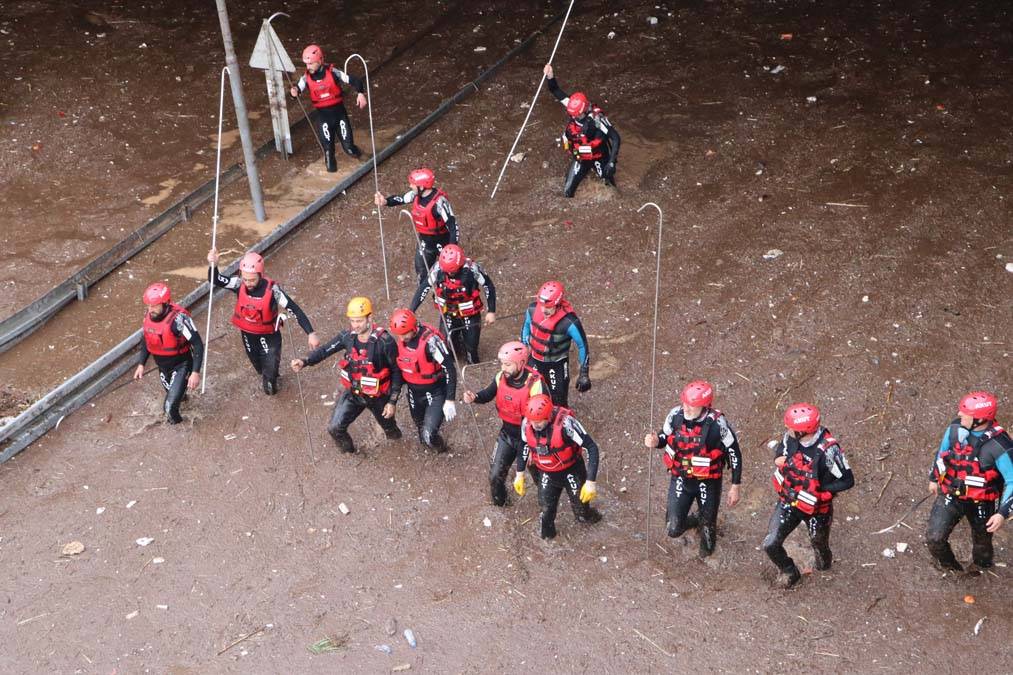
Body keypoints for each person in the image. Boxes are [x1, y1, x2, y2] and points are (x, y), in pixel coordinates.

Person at [290, 297, 402, 453]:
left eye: (359, 321)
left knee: (391, 432)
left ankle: (397, 452)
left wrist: (392, 402)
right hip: (354, 393)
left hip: (379, 397)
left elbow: (397, 371)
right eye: (352, 321)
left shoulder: (385, 342)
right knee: (334, 428)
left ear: (370, 318)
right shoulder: (347, 337)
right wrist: (305, 361)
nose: (355, 326)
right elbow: (325, 350)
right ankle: (351, 455)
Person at [644, 380, 742, 558]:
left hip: (708, 482)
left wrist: (735, 486)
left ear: (705, 406)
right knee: (673, 529)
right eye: (685, 403)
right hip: (681, 478)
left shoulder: (718, 425)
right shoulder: (675, 415)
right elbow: (664, 436)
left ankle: (705, 523)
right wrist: (655, 441)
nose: (687, 408)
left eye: (693, 405)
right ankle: (696, 518)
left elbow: (735, 454)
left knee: (708, 544)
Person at [762, 403, 854, 588]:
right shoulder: (790, 437)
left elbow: (847, 480)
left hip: (817, 509)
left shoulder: (829, 450)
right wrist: (778, 459)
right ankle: (790, 571)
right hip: (789, 500)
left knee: (819, 542)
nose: (787, 430)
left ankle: (824, 571)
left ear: (804, 431)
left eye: (792, 428)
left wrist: (821, 491)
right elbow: (781, 451)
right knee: (770, 543)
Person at [208, 248, 319, 395]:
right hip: (248, 335)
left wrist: (310, 333)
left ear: (260, 275)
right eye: (245, 279)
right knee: (259, 369)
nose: (248, 283)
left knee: (269, 383)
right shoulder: (238, 283)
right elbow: (215, 280)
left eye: (252, 280)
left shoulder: (273, 291)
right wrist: (213, 265)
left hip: (269, 336)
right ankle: (269, 372)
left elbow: (295, 309)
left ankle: (272, 377)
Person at [926, 391, 1013, 572]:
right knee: (934, 538)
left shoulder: (1000, 446)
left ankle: (981, 568)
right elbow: (941, 454)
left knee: (982, 543)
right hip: (951, 492)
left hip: (982, 501)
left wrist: (1002, 513)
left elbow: (1012, 481)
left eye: (965, 413)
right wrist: (934, 478)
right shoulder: (954, 430)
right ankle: (952, 568)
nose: (959, 415)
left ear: (980, 420)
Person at [463, 341, 547, 506]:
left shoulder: (536, 384)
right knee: (495, 476)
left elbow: (543, 419)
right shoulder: (500, 377)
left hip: (532, 439)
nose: (503, 368)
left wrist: (534, 446)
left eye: (508, 364)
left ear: (521, 363)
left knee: (541, 479)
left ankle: (546, 508)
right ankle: (501, 504)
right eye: (502, 364)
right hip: (507, 434)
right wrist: (475, 397)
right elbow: (487, 394)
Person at [515, 394, 602, 539]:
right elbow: (524, 444)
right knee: (546, 512)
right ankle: (548, 544)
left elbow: (592, 448)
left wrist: (590, 482)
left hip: (571, 470)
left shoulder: (567, 424)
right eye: (533, 421)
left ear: (548, 416)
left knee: (582, 515)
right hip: (547, 472)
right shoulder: (527, 424)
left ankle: (594, 517)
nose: (535, 425)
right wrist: (519, 473)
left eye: (539, 421)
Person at [543, 63, 620, 197]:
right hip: (581, 157)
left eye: (576, 115)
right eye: (572, 115)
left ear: (584, 111)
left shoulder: (597, 119)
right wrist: (550, 76)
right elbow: (555, 90)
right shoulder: (571, 105)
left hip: (599, 157)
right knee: (567, 193)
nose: (573, 117)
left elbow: (616, 138)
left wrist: (612, 162)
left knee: (612, 191)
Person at [410, 243, 496, 364]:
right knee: (445, 346)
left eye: (452, 272)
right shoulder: (437, 268)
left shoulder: (472, 269)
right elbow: (424, 287)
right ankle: (457, 342)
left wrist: (491, 311)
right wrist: (412, 310)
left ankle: (470, 357)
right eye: (447, 272)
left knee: (472, 348)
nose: (449, 275)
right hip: (448, 313)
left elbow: (489, 286)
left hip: (470, 314)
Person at [388, 308, 457, 453]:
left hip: (436, 391)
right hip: (414, 392)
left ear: (414, 328)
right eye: (399, 335)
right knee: (419, 426)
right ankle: (428, 446)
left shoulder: (431, 342)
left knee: (429, 435)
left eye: (405, 334)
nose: (401, 339)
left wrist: (450, 399)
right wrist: (392, 399)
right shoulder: (402, 340)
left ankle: (442, 449)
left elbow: (449, 368)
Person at [289, 44, 367, 172]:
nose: (308, 67)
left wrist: (360, 93)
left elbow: (355, 80)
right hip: (324, 118)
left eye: (311, 64)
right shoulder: (305, 79)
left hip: (339, 115)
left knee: (349, 149)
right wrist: (294, 92)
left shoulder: (333, 72)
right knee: (330, 161)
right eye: (306, 64)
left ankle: (365, 159)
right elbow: (297, 91)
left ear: (320, 61)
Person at [374, 168, 460, 283]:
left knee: (450, 274)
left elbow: (453, 227)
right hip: (425, 242)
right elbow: (401, 199)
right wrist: (385, 201)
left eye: (413, 184)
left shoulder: (440, 203)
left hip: (442, 241)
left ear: (422, 187)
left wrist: (452, 249)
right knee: (421, 271)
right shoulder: (415, 195)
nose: (410, 186)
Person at [134, 282, 203, 424]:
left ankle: (179, 433)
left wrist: (195, 372)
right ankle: (183, 399)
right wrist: (141, 364)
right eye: (148, 305)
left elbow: (197, 344)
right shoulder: (148, 315)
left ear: (165, 303)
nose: (150, 309)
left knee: (169, 408)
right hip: (163, 367)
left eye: (154, 306)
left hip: (182, 365)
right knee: (179, 398)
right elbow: (147, 340)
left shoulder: (179, 320)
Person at [521, 280, 590, 406]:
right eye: (541, 305)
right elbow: (526, 326)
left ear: (558, 304)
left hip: (557, 364)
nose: (543, 310)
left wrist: (584, 373)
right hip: (534, 360)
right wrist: (524, 347)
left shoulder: (569, 322)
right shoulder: (532, 309)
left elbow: (582, 345)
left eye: (548, 307)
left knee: (558, 399)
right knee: (532, 394)